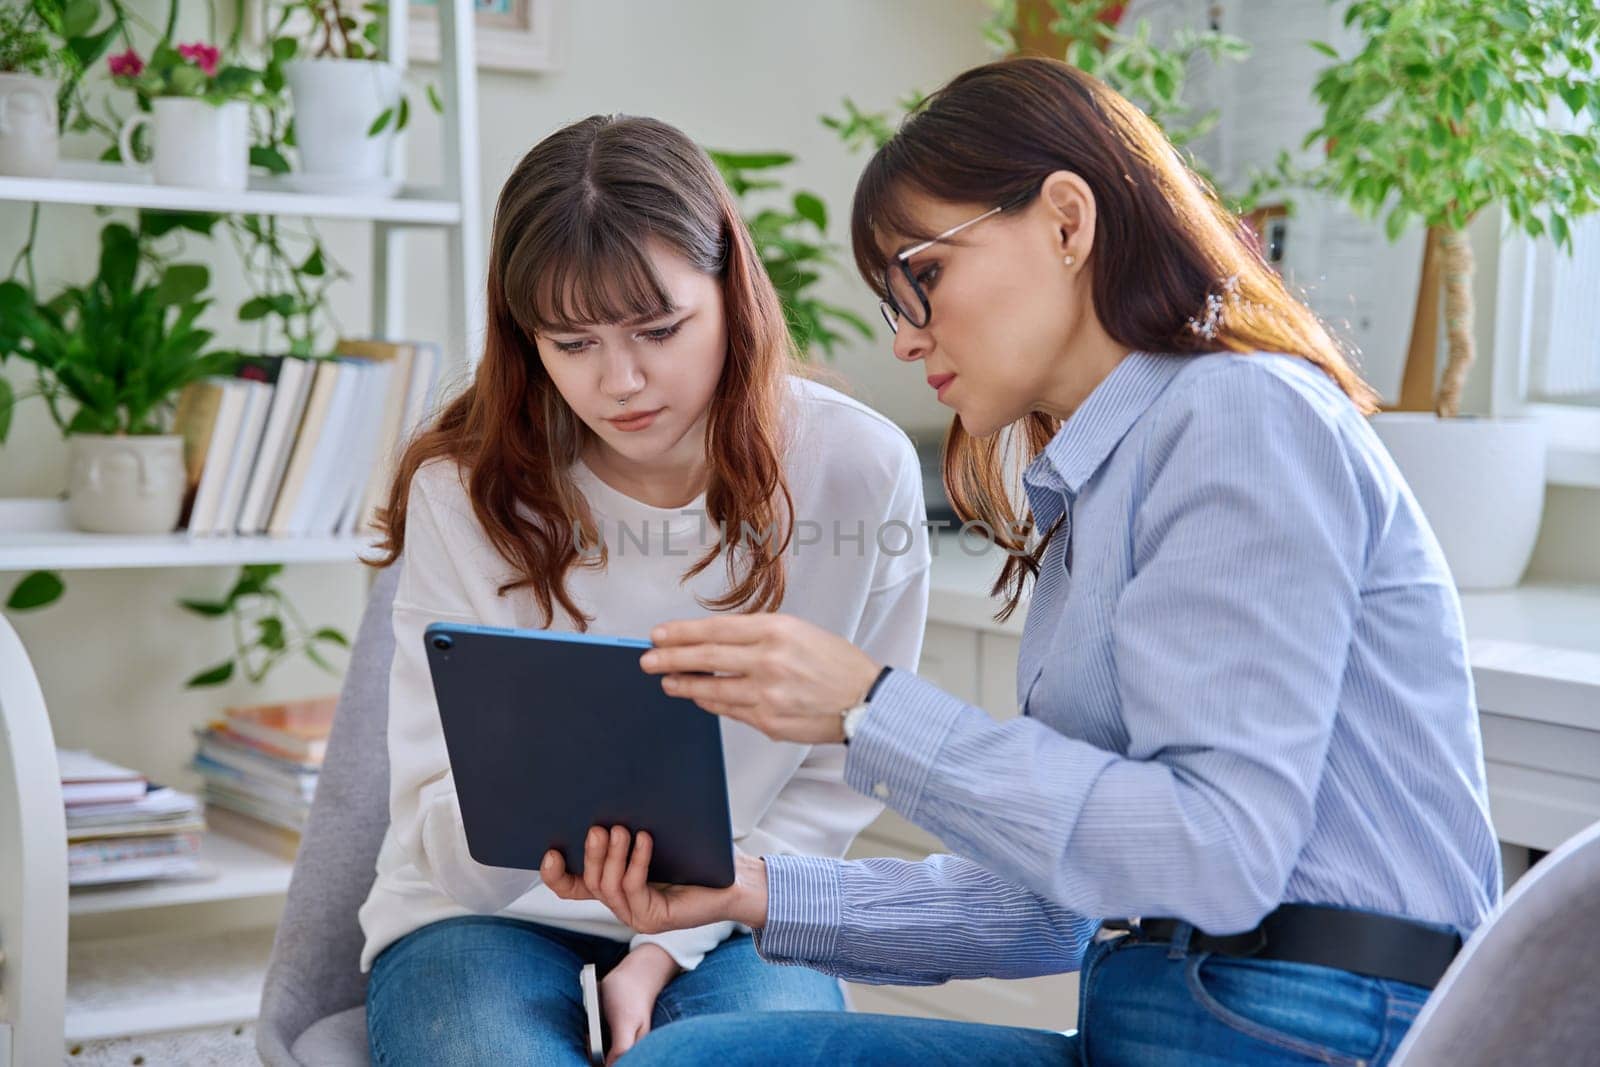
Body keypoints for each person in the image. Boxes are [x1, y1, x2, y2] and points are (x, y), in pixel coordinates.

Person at [545, 58, 1502, 1066]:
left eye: (923, 275)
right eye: (892, 301)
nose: (908, 337)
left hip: (1300, 1022)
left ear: (1065, 220)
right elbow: (1054, 908)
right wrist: (751, 888)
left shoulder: (1238, 413)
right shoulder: (1099, 482)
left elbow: (1218, 853)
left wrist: (872, 707)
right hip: (1172, 1008)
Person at [359, 113, 931, 1066]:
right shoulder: (463, 492)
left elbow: (842, 774)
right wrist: (522, 810)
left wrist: (665, 945)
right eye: (571, 343)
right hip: (480, 915)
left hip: (747, 901)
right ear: (524, 336)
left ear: (731, 290)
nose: (621, 381)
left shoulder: (855, 470)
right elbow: (436, 828)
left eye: (660, 330)